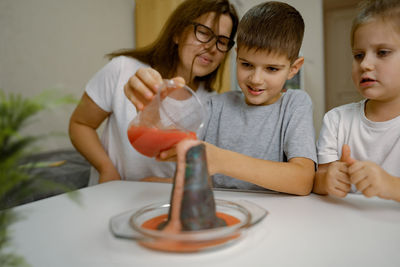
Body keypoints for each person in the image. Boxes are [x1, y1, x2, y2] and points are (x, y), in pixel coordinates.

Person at [69, 0, 239, 185]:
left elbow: (204, 175)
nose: (212, 47)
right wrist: (106, 168)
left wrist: (165, 184)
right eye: (204, 33)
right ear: (177, 33)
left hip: (166, 206)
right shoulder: (124, 70)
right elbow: (80, 124)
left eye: (222, 41)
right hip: (108, 195)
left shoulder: (213, 105)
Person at [160, 1, 317, 195]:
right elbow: (185, 160)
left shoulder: (295, 104)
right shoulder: (214, 106)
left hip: (278, 217)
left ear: (293, 68)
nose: (256, 79)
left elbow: (303, 181)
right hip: (223, 210)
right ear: (237, 56)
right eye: (247, 65)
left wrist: (221, 161)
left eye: (272, 69)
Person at [313, 0, 400, 202]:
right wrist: (327, 179)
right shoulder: (336, 120)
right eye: (358, 55)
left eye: (382, 52)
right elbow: (317, 180)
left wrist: (389, 184)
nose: (365, 64)